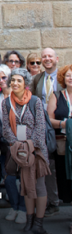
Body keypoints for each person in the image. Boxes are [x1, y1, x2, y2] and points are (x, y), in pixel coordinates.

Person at [2, 68, 54, 234]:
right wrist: (18, 146)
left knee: (39, 186)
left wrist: (29, 146)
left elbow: (40, 127)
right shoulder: (6, 103)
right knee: (26, 186)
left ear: (25, 83)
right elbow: (6, 128)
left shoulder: (35, 101)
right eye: (13, 80)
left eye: (19, 80)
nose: (15, 83)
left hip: (36, 151)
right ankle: (29, 222)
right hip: (20, 152)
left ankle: (38, 224)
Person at [0, 64, 26, 224]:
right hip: (5, 144)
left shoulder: (21, 96)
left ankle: (23, 209)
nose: (1, 80)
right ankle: (14, 207)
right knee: (9, 177)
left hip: (21, 142)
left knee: (23, 177)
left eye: (4, 77)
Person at [31, 47, 61, 215]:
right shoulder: (37, 79)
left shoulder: (64, 77)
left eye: (50, 56)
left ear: (57, 59)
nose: (47, 59)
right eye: (44, 56)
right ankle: (52, 201)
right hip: (43, 127)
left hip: (61, 125)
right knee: (48, 164)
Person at [47, 64, 72, 207]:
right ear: (63, 78)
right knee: (64, 178)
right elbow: (49, 120)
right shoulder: (56, 96)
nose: (71, 78)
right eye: (68, 75)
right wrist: (64, 124)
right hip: (63, 144)